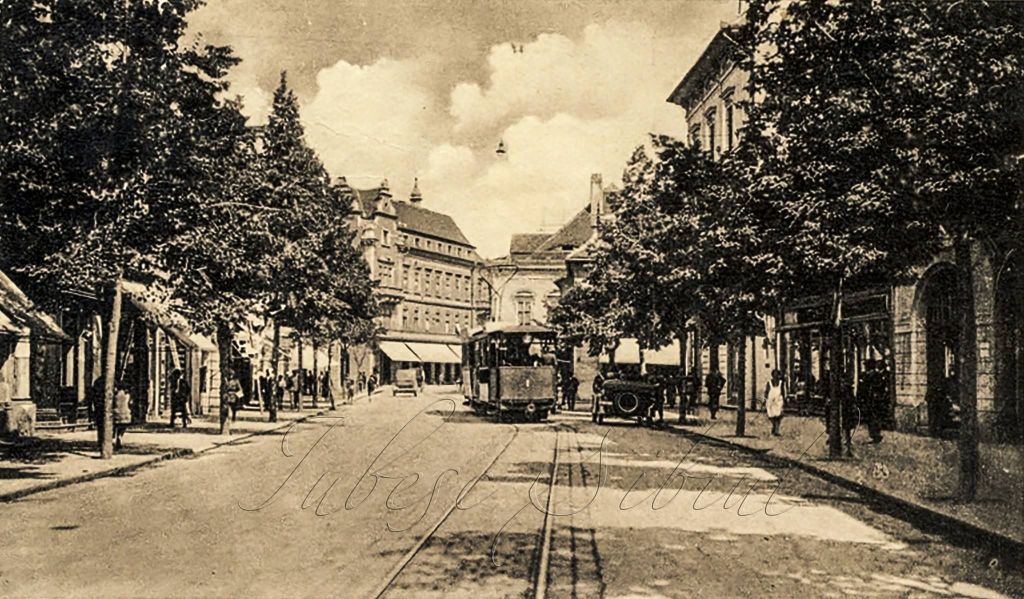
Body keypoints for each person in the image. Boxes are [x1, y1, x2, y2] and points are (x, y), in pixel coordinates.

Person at [764, 369, 785, 437]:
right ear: (772, 375)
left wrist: (784, 400)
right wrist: (765, 399)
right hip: (771, 401)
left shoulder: (781, 383)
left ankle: (776, 430)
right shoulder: (769, 383)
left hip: (778, 401)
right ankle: (774, 427)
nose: (776, 376)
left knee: (778, 416)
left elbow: (783, 392)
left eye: (777, 375)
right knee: (771, 416)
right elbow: (766, 392)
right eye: (774, 375)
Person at [113, 385, 132, 450]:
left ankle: (114, 439)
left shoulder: (115, 395)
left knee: (115, 427)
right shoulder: (126, 395)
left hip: (116, 413)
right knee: (122, 427)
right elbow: (129, 403)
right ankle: (119, 437)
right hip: (125, 414)